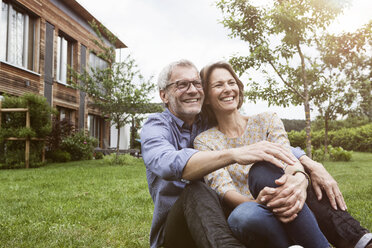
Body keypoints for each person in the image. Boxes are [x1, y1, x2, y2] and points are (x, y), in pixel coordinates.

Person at [140, 59, 372, 248]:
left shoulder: (206, 121)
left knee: (276, 177)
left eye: (196, 83)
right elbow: (167, 163)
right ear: (164, 95)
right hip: (180, 231)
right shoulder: (157, 126)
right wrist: (234, 154)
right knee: (196, 190)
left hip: (221, 221)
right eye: (181, 84)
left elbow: (276, 148)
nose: (192, 90)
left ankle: (355, 240)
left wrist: (308, 165)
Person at [195, 61, 330, 247]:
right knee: (244, 215)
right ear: (207, 97)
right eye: (218, 85)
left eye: (231, 82)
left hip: (283, 190)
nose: (227, 89)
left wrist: (296, 181)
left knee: (261, 171)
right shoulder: (204, 141)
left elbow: (288, 157)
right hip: (251, 209)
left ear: (239, 87)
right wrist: (256, 201)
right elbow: (222, 187)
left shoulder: (267, 120)